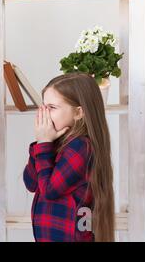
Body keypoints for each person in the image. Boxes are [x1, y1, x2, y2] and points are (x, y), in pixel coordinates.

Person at [23, 72, 115, 242]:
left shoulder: (81, 147)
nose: (44, 114)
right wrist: (41, 143)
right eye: (43, 106)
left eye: (52, 107)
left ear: (78, 112)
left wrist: (43, 143)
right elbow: (31, 183)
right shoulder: (53, 143)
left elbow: (49, 190)